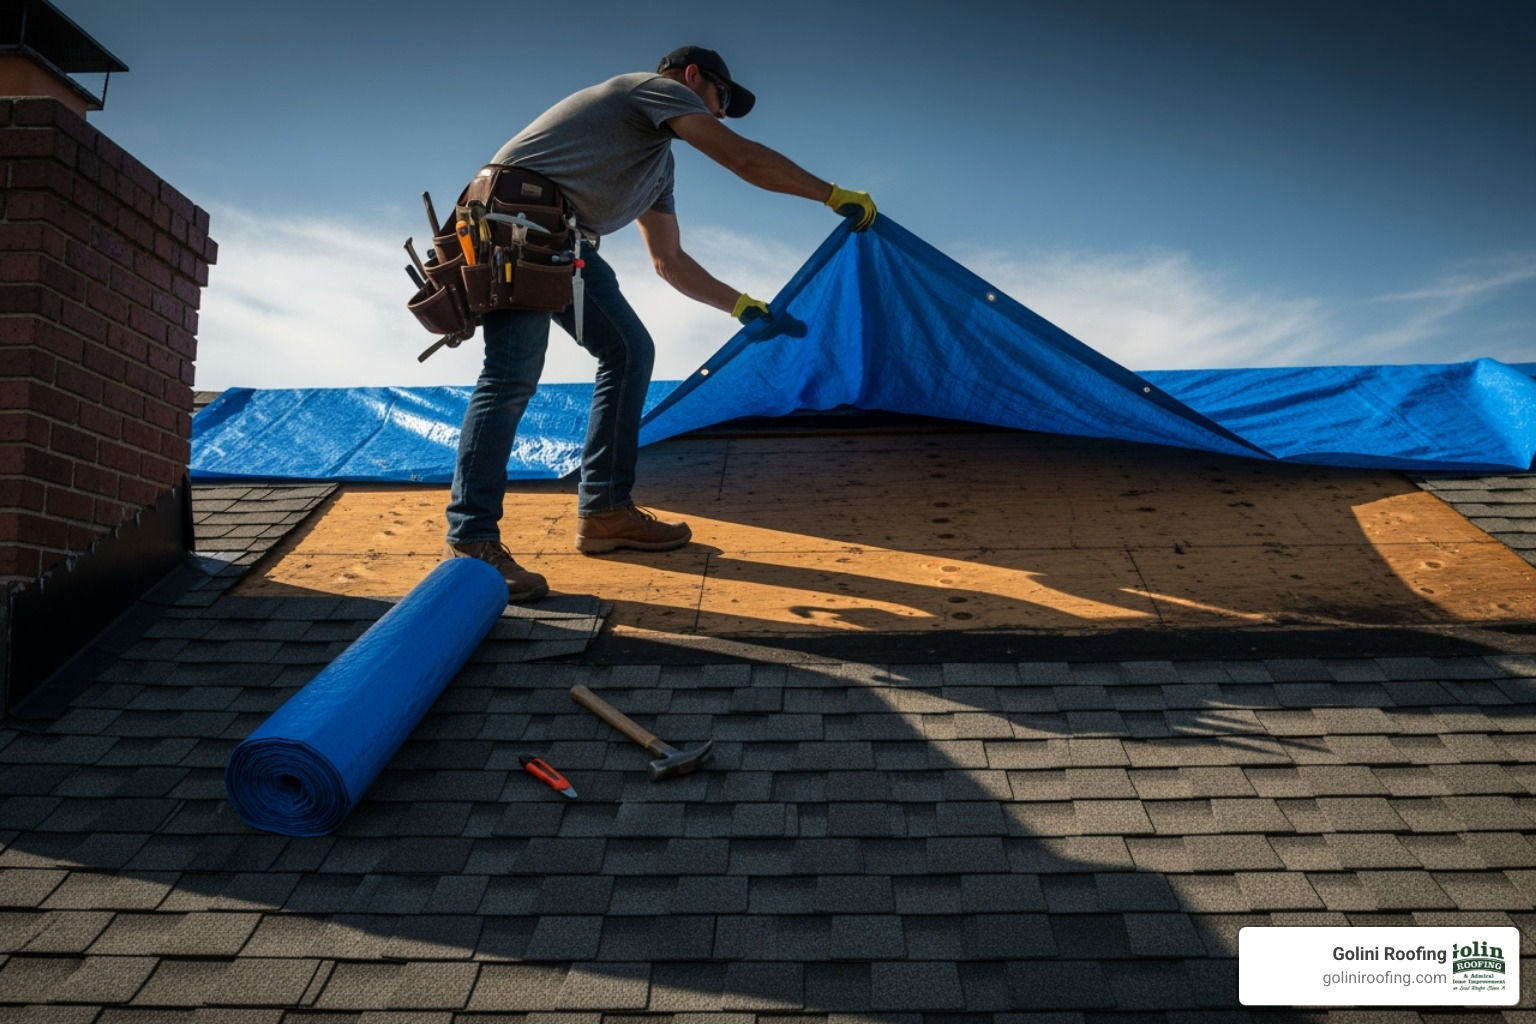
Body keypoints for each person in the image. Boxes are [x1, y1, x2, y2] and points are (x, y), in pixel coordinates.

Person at [442, 45, 877, 601]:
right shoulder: (650, 89)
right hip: (514, 218)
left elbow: (668, 261)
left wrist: (739, 305)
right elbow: (743, 159)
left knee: (628, 351)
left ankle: (605, 512)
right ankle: (471, 538)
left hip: (562, 239)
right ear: (692, 77)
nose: (720, 114)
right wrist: (829, 194)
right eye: (720, 98)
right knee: (511, 374)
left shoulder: (656, 167)